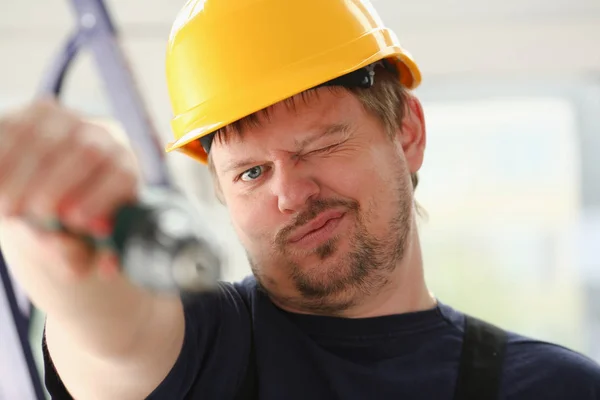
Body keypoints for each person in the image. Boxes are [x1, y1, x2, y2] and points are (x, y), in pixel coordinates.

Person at [1, 0, 599, 399]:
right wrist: (55, 230)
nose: (290, 192)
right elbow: (110, 328)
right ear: (220, 192)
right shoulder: (207, 346)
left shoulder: (556, 387)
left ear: (408, 133)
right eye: (253, 172)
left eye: (320, 146)